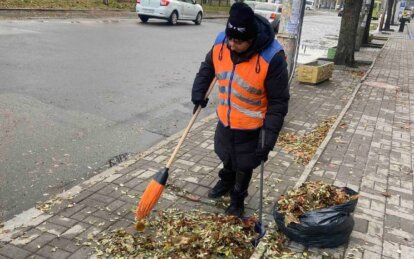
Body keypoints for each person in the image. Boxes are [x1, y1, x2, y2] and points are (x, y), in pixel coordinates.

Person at [191, 2, 289, 217]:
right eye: (230, 39)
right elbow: (208, 67)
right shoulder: (222, 43)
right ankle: (225, 182)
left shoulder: (273, 57)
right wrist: (198, 92)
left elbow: (279, 102)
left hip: (252, 127)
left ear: (251, 40)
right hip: (225, 120)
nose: (231, 45)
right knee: (225, 155)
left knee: (245, 164)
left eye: (238, 42)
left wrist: (269, 137)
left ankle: (238, 199)